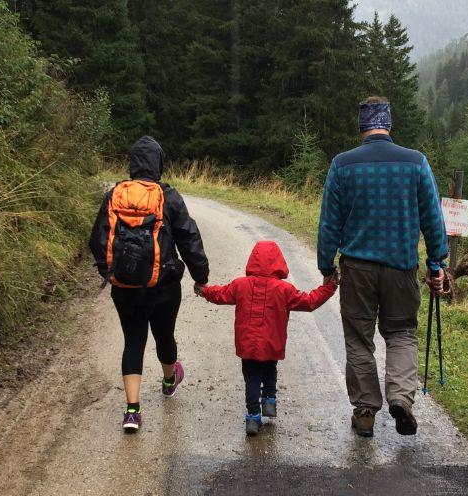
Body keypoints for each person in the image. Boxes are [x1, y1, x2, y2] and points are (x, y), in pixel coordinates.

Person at [316, 96, 450, 438]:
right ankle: (401, 399)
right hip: (401, 267)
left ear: (362, 126)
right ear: (388, 123)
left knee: (359, 339)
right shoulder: (416, 163)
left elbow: (329, 223)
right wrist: (437, 264)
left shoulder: (342, 165)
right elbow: (433, 220)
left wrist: (326, 264)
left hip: (358, 268)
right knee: (402, 333)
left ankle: (365, 412)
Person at [89, 136, 210, 433]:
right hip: (163, 286)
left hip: (124, 287)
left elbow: (97, 240)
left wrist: (112, 272)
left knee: (133, 341)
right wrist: (200, 276)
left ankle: (132, 411)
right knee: (164, 335)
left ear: (132, 164)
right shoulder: (168, 196)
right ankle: (170, 380)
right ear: (159, 164)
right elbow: (189, 238)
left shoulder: (114, 195)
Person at [197, 240, 338, 436]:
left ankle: (253, 417)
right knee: (270, 368)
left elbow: (220, 294)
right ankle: (269, 400)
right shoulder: (284, 289)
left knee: (252, 376)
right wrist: (329, 287)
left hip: (247, 343)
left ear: (252, 260)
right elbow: (309, 301)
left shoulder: (240, 285)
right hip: (272, 343)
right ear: (279, 262)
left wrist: (204, 290)